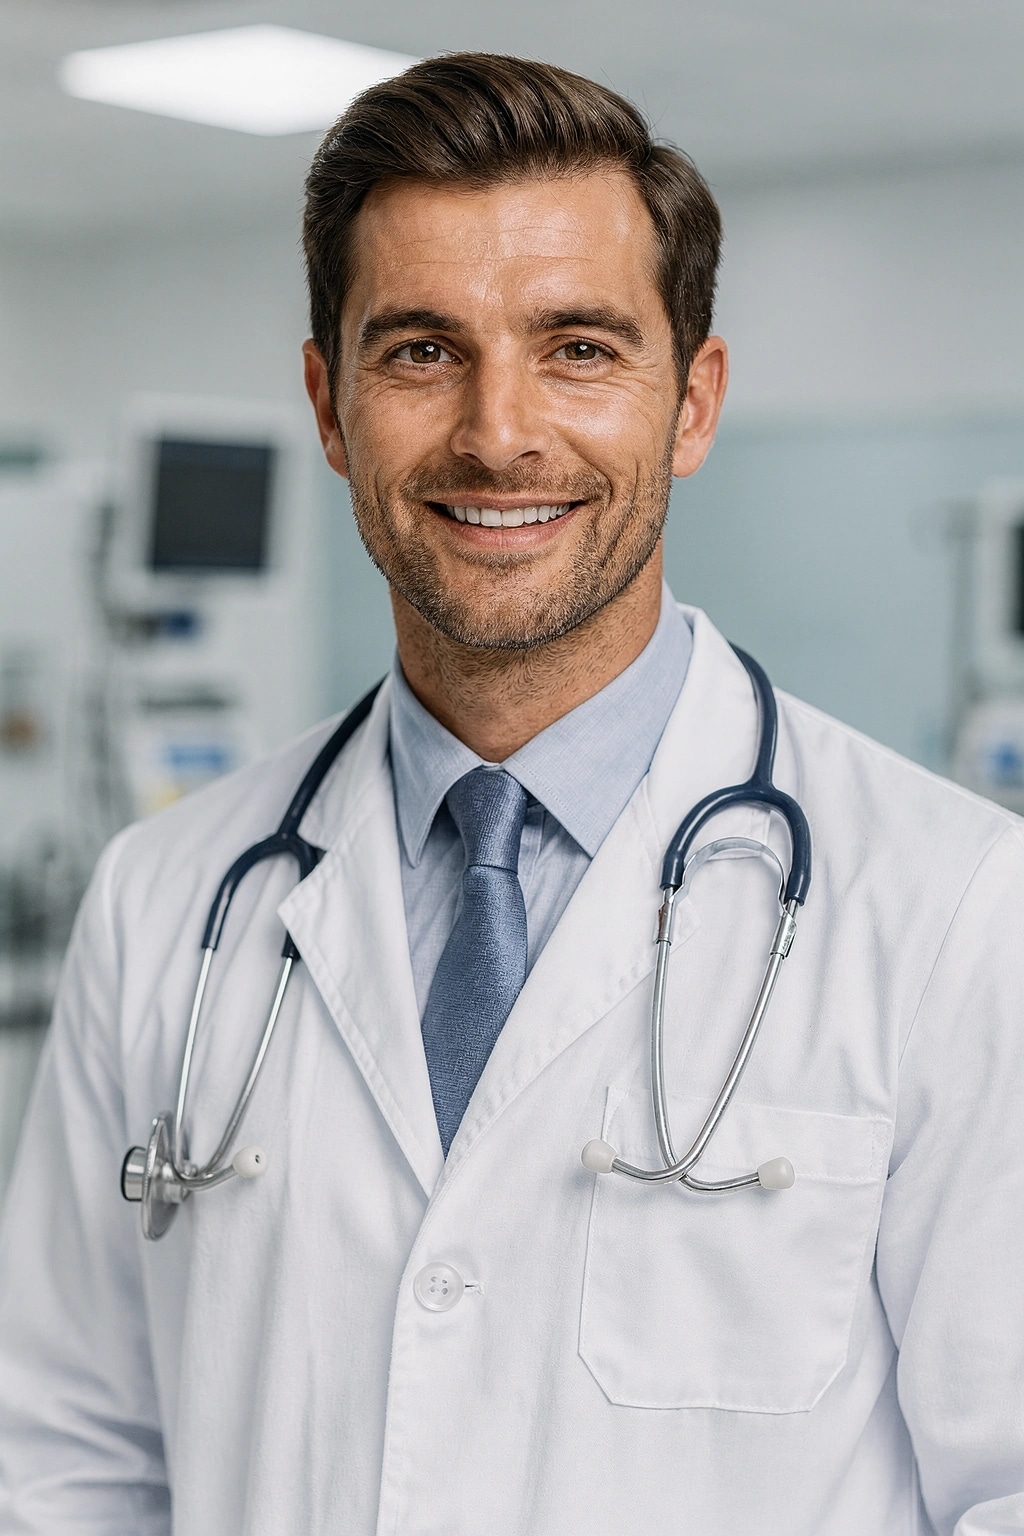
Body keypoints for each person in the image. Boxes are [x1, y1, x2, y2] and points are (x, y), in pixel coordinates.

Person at [0, 51, 1021, 1536]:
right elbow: (64, 1462)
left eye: (580, 348)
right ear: (329, 405)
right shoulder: (169, 905)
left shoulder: (956, 912)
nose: (497, 431)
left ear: (693, 403)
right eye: (420, 350)